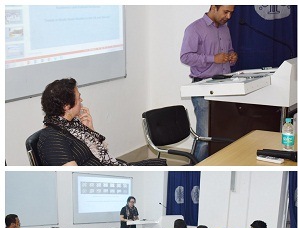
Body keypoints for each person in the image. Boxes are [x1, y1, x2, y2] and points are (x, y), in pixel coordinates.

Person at [37, 78, 166, 166]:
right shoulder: (51, 138)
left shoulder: (73, 126)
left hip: (111, 168)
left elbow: (99, 152)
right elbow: (72, 177)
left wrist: (90, 130)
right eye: (78, 97)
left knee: (159, 164)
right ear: (66, 106)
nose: (81, 100)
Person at [180, 5, 237, 161]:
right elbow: (185, 57)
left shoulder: (225, 29)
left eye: (231, 12)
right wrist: (213, 58)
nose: (229, 16)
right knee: (204, 137)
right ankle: (195, 168)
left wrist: (232, 56)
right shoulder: (194, 28)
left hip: (225, 87)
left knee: (223, 133)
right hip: (203, 87)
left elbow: (230, 49)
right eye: (226, 12)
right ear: (214, 7)